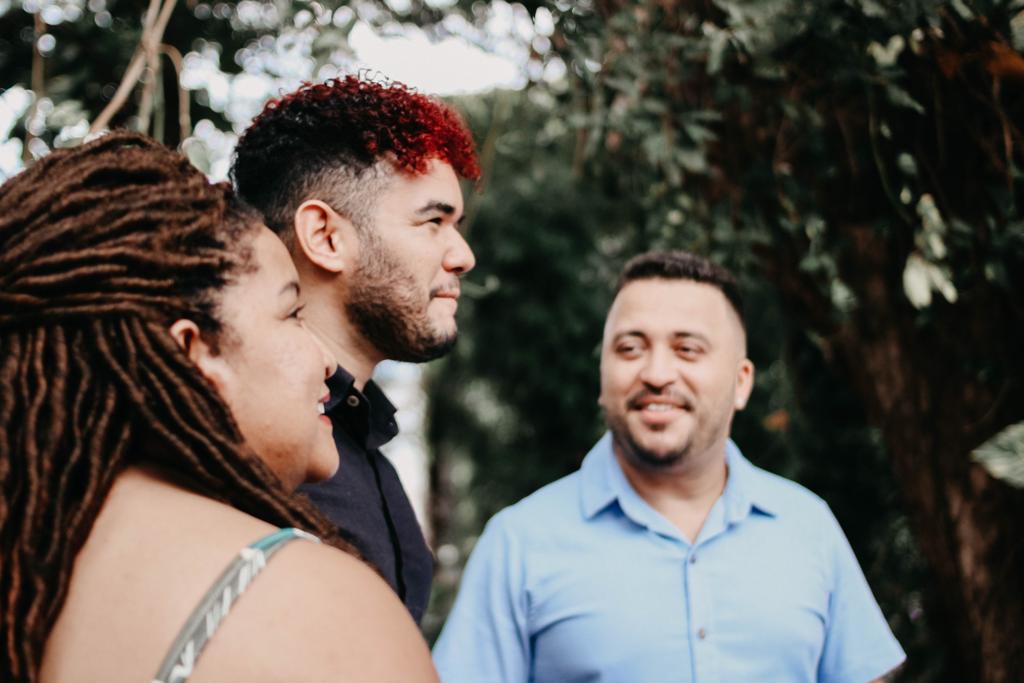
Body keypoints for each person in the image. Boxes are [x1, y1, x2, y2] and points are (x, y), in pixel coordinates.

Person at [0, 132, 438, 683]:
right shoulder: (314, 610)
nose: (325, 360)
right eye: (292, 314)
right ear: (192, 352)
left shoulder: (28, 580)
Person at [433, 251, 906, 683]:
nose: (656, 374)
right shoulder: (518, 543)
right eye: (630, 349)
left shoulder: (809, 528)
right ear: (603, 375)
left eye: (687, 349)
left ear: (742, 383)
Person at [231, 75, 479, 623]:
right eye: (433, 222)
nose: (463, 256)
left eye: (455, 225)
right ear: (325, 237)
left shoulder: (368, 449)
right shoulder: (249, 459)